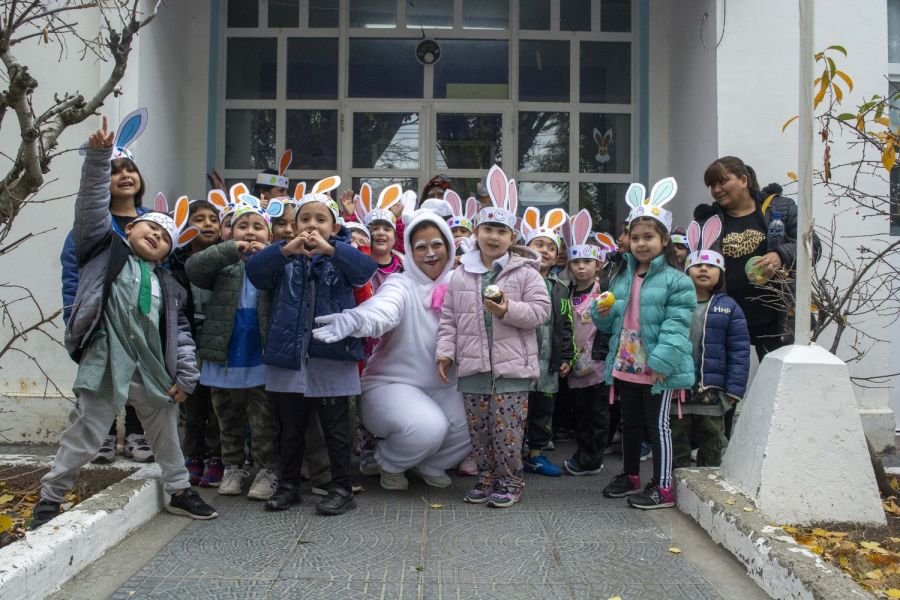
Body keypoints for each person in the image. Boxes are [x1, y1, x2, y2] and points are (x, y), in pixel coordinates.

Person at [32, 118, 217, 529]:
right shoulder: (103, 250)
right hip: (106, 361)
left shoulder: (168, 283)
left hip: (151, 368)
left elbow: (180, 331)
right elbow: (90, 206)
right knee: (85, 433)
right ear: (129, 228)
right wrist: (99, 157)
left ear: (168, 252)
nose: (156, 236)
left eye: (165, 237)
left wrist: (185, 375)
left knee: (166, 431)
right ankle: (50, 497)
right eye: (150, 228)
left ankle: (180, 488)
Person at [313, 210, 472, 490]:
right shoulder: (400, 283)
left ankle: (429, 464)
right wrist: (355, 319)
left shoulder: (461, 285)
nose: (430, 253)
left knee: (474, 421)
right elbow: (383, 310)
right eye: (420, 246)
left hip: (445, 386)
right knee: (427, 427)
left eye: (437, 244)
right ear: (409, 252)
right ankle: (387, 461)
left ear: (449, 246)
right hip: (390, 385)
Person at [246, 177, 376, 515]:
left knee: (336, 428)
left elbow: (365, 272)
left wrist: (333, 250)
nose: (312, 226)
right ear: (294, 225)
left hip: (332, 355)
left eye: (321, 220)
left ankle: (341, 487)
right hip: (290, 356)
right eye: (305, 219)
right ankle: (289, 484)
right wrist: (284, 250)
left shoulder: (343, 255)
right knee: (290, 428)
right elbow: (256, 273)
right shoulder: (284, 258)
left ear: (334, 226)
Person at [436, 165, 551, 508]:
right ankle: (487, 478)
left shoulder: (526, 272)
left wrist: (506, 310)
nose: (493, 237)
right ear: (476, 231)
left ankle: (510, 481)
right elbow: (449, 319)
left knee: (507, 432)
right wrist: (445, 352)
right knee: (480, 432)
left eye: (502, 230)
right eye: (488, 228)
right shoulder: (461, 274)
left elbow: (540, 313)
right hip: (473, 369)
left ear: (512, 237)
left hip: (512, 372)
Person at [593, 178, 695, 510]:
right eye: (635, 237)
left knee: (658, 424)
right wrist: (601, 311)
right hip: (627, 363)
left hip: (658, 367)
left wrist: (662, 363)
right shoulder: (621, 276)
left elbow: (677, 325)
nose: (641, 244)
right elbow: (611, 323)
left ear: (664, 240)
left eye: (649, 237)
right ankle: (631, 474)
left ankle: (663, 485)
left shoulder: (678, 281)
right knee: (630, 422)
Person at [60, 113, 155, 466]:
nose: (125, 176)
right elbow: (73, 272)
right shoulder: (91, 227)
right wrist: (76, 314)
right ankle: (98, 435)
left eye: (129, 169)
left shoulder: (152, 222)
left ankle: (135, 433)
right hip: (100, 316)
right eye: (115, 171)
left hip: (142, 315)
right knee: (97, 375)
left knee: (141, 375)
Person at [185, 196, 283, 501]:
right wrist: (230, 249)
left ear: (269, 234)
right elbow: (193, 269)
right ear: (230, 232)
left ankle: (268, 470)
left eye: (257, 227)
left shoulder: (275, 262)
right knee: (226, 414)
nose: (250, 232)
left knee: (262, 417)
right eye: (242, 226)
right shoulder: (222, 263)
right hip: (225, 351)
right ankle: (233, 466)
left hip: (260, 350)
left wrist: (268, 256)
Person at [699, 156, 806, 359]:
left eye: (722, 182)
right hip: (727, 318)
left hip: (775, 319)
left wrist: (780, 255)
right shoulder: (709, 221)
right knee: (727, 382)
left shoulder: (780, 209)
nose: (716, 190)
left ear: (744, 180)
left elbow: (811, 245)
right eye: (712, 185)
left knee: (777, 384)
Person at [673, 216, 751, 467]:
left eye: (711, 266)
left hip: (713, 396)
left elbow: (739, 352)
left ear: (722, 274)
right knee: (676, 442)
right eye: (697, 266)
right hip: (678, 394)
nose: (704, 270)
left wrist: (734, 391)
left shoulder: (729, 308)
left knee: (712, 443)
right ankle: (674, 486)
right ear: (686, 271)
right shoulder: (674, 304)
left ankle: (709, 485)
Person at [170, 198, 223, 487]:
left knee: (217, 404)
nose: (207, 224)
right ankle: (193, 455)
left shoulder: (227, 258)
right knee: (192, 402)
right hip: (188, 336)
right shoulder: (175, 261)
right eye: (200, 219)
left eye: (213, 219)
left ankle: (217, 456)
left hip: (217, 337)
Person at [519, 208, 574, 478]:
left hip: (548, 363)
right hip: (519, 362)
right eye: (538, 245)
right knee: (517, 410)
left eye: (550, 247)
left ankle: (536, 456)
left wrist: (566, 356)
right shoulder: (515, 280)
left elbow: (566, 325)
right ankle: (513, 454)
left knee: (543, 412)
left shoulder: (560, 288)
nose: (544, 251)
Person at [560, 210, 612, 477]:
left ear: (598, 265)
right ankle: (584, 453)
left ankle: (593, 458)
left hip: (598, 364)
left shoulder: (603, 294)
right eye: (576, 262)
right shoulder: (564, 293)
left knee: (598, 414)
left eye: (586, 262)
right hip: (574, 365)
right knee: (581, 414)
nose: (581, 267)